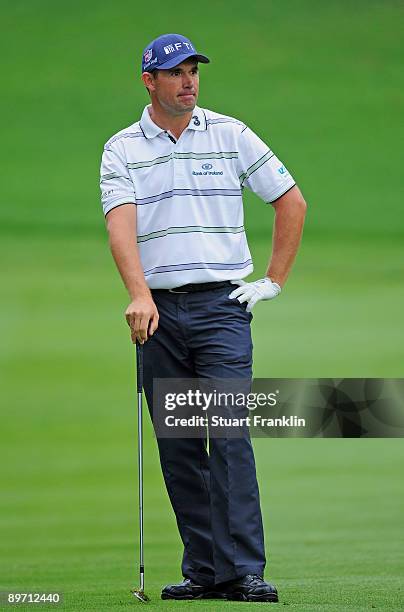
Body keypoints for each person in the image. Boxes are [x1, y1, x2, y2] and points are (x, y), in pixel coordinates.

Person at [100, 33, 306, 603]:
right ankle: (206, 570)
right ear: (150, 81)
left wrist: (271, 281)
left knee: (230, 434)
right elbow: (121, 222)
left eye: (194, 71)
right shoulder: (122, 148)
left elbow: (290, 200)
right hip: (159, 312)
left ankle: (244, 570)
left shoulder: (230, 133)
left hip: (222, 309)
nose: (188, 81)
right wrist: (138, 294)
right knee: (180, 444)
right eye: (175, 73)